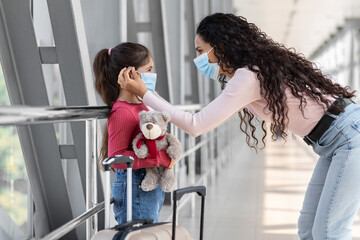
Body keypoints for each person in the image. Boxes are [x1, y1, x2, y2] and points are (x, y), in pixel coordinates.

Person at [118, 13, 360, 240]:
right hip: (335, 139)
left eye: (202, 51)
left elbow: (196, 124)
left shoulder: (248, 76)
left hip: (348, 137)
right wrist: (148, 93)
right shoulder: (254, 70)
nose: (199, 60)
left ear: (220, 47)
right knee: (309, 228)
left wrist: (145, 94)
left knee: (329, 231)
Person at [93, 42, 174, 224]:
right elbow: (116, 157)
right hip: (134, 186)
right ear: (130, 74)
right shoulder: (122, 111)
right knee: (138, 234)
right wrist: (159, 158)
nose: (153, 75)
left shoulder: (141, 106)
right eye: (149, 69)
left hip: (146, 185)